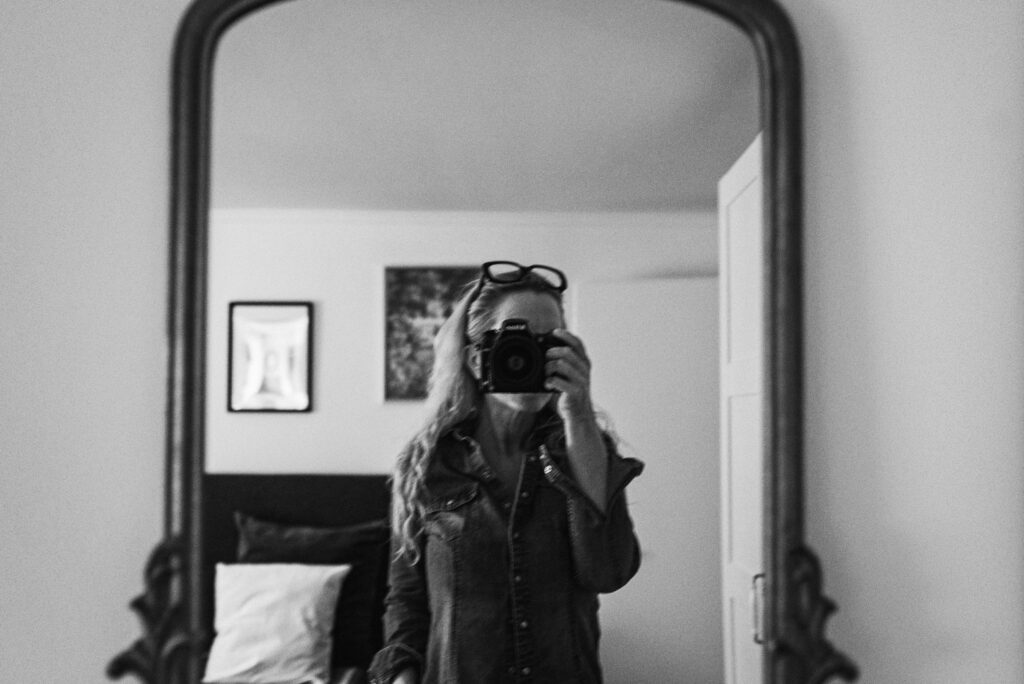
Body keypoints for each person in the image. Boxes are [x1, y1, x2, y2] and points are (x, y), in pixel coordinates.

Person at [368, 261, 644, 684]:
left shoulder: (586, 446)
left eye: (548, 343)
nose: (531, 357)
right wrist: (402, 675)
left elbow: (608, 571)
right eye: (515, 342)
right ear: (475, 359)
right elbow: (407, 598)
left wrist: (579, 414)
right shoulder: (428, 464)